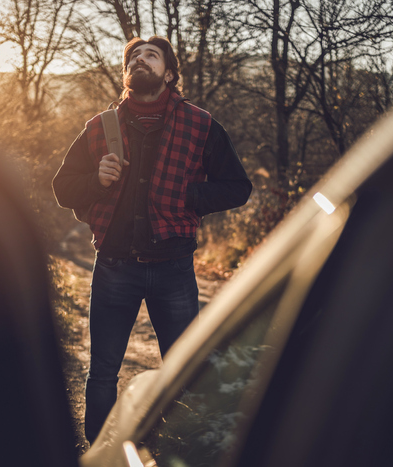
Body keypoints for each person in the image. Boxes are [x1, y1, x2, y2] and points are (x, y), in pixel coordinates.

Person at [52, 35, 252, 443]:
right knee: (103, 370)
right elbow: (62, 188)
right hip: (113, 268)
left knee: (183, 371)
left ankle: (178, 449)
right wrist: (95, 179)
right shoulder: (99, 127)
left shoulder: (201, 124)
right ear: (126, 74)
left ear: (170, 73)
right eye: (132, 57)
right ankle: (100, 451)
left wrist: (189, 195)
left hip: (174, 269)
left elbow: (237, 187)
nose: (139, 60)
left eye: (150, 55)